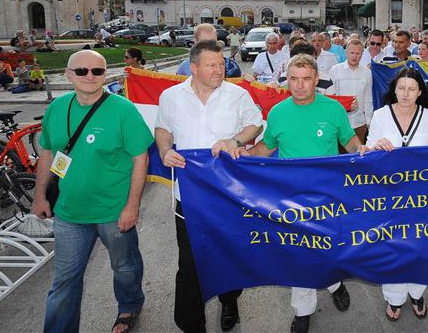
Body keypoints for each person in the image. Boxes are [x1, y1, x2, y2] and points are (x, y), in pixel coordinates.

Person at [229, 53, 368, 333]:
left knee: (328, 248)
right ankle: (302, 311)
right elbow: (264, 149)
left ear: (316, 80)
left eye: (306, 79)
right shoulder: (278, 113)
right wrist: (242, 154)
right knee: (300, 254)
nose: (300, 85)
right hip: (291, 198)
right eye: (294, 79)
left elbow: (348, 140)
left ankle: (335, 284)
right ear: (287, 80)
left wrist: (361, 148)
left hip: (328, 197)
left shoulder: (333, 110)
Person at [32, 50, 153, 333]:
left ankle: (129, 305)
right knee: (64, 281)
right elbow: (48, 153)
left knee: (125, 268)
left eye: (97, 71)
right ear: (68, 74)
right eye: (82, 71)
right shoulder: (57, 108)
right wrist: (39, 195)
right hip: (69, 213)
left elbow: (140, 158)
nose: (90, 76)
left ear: (105, 75)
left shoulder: (123, 110)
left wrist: (132, 206)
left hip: (113, 211)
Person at [155, 40, 264, 333]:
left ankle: (229, 300)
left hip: (228, 194)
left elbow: (256, 124)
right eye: (212, 65)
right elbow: (162, 129)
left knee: (229, 252)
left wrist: (236, 141)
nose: (220, 70)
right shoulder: (171, 96)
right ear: (194, 67)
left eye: (221, 64)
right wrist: (165, 151)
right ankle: (192, 323)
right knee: (190, 263)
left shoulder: (238, 94)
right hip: (188, 196)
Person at [367, 68, 428, 321]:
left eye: (411, 89)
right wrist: (375, 146)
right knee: (392, 246)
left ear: (420, 92)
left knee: (419, 245)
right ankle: (395, 297)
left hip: (420, 197)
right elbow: (367, 151)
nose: (406, 94)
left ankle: (417, 292)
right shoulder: (380, 115)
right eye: (401, 88)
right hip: (387, 194)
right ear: (394, 89)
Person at [329, 39, 373, 143]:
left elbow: (368, 98)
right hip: (340, 124)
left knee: (358, 156)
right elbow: (331, 98)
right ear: (346, 52)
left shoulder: (367, 72)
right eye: (352, 53)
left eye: (358, 53)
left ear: (362, 54)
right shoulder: (335, 70)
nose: (354, 56)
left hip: (359, 124)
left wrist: (369, 123)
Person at [177, 24, 241, 78]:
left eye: (213, 42)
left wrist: (245, 81)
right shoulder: (184, 67)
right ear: (195, 41)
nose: (209, 47)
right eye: (204, 43)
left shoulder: (231, 67)